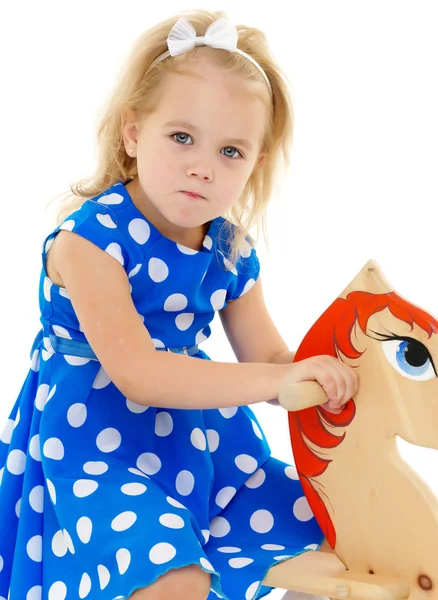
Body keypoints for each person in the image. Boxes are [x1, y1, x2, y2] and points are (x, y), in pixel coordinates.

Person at [0, 9, 358, 600]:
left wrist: (325, 379)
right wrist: (280, 376)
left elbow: (266, 355)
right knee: (171, 576)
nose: (202, 167)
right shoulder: (90, 240)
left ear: (255, 164)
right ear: (133, 132)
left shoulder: (227, 248)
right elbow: (140, 374)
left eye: (230, 152)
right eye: (182, 137)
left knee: (338, 532)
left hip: (201, 447)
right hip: (94, 451)